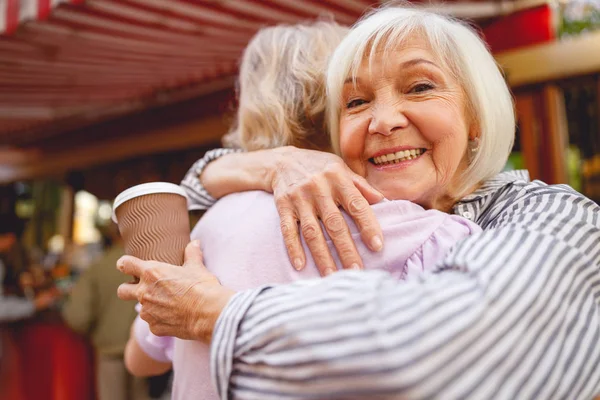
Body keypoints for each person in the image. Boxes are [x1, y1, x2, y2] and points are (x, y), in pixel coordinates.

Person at [119, 5, 600, 399]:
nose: (384, 120)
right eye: (355, 102)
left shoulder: (554, 215)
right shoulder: (399, 223)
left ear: (477, 114)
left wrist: (214, 313)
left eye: (420, 86)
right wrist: (268, 165)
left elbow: (443, 350)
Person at [62, 224, 149, 400]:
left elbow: (78, 317)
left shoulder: (98, 267)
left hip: (110, 350)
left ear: (112, 234)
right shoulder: (150, 265)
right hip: (144, 349)